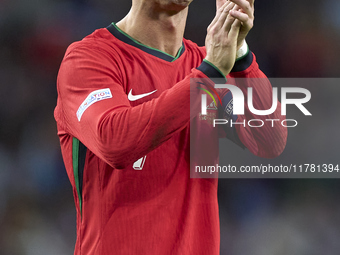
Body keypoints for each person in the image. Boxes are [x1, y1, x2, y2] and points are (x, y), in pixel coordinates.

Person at [54, 0, 287, 254]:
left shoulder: (210, 63)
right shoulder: (90, 58)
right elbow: (115, 141)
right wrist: (209, 75)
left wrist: (239, 50)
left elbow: (270, 140)